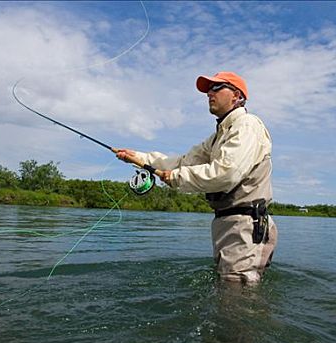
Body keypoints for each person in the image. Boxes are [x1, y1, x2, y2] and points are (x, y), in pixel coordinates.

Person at [116, 72, 278, 284]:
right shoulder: (218, 135)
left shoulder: (247, 125)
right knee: (231, 294)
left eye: (217, 87)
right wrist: (137, 157)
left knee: (236, 301)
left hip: (246, 226)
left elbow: (227, 173)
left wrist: (176, 178)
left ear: (236, 95)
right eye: (208, 89)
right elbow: (184, 162)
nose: (209, 93)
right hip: (229, 225)